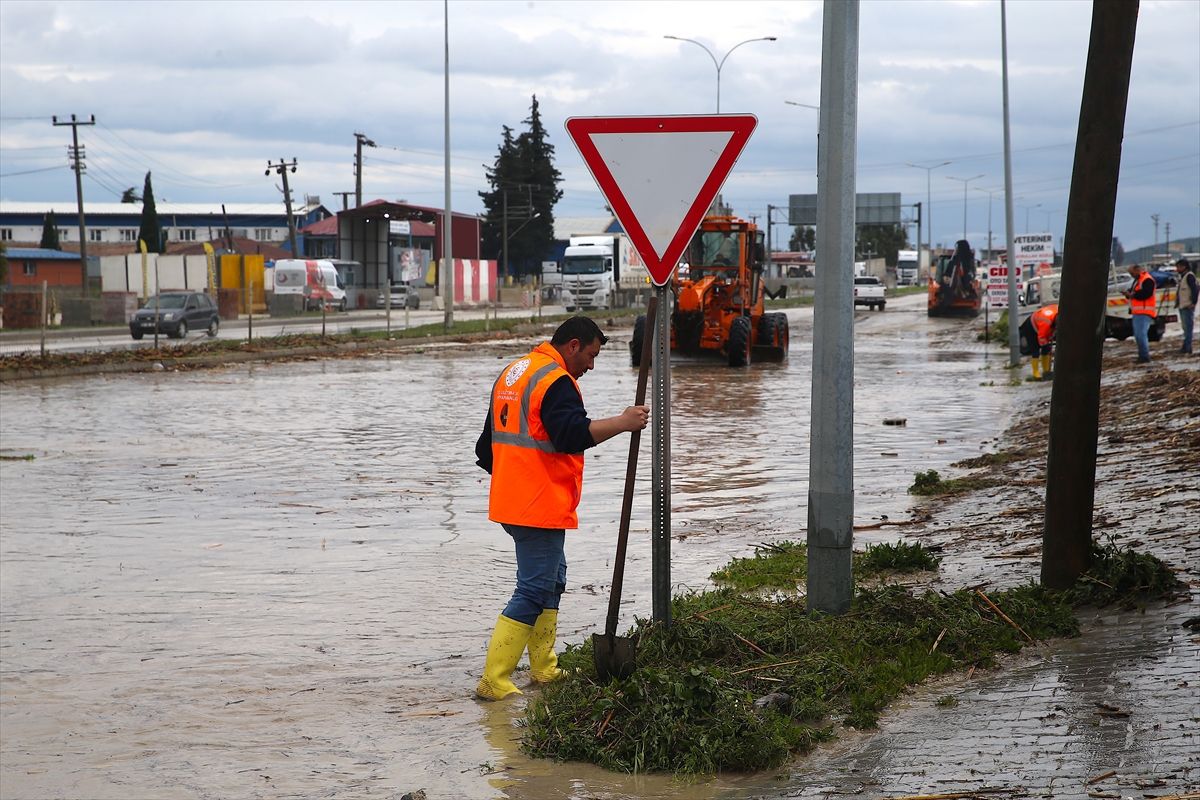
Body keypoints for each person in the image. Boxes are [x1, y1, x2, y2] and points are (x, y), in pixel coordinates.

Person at [473, 316, 649, 701]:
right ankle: (494, 679)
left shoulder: (515, 373)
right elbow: (571, 435)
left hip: (513, 500)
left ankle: (544, 668)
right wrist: (623, 422)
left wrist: (516, 479)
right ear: (572, 346)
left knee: (553, 580)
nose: (591, 365)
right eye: (590, 355)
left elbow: (485, 448)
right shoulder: (555, 381)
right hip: (536, 504)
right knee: (534, 588)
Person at [1124, 263, 1156, 363]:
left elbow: (1147, 293)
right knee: (1138, 335)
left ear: (1137, 270)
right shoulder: (1138, 280)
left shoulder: (1147, 279)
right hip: (1138, 311)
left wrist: (1133, 295)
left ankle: (1144, 357)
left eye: (1132, 273)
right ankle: (1143, 356)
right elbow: (1136, 292)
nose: (1131, 275)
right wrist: (1129, 294)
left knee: (1141, 335)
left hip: (1144, 311)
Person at [1020, 303, 1058, 380]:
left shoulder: (1061, 313)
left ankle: (1046, 371)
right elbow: (1042, 337)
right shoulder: (1046, 322)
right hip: (1032, 326)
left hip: (1043, 323)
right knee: (1036, 350)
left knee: (1046, 350)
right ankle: (1036, 373)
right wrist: (1046, 344)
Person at [1175, 257, 1197, 355]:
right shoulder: (1183, 276)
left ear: (1184, 267)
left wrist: (1193, 303)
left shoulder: (1189, 276)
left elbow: (1195, 290)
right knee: (1185, 328)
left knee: (1188, 328)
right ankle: (1186, 347)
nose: (1177, 269)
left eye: (1178, 267)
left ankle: (1187, 348)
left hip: (1187, 306)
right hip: (1183, 305)